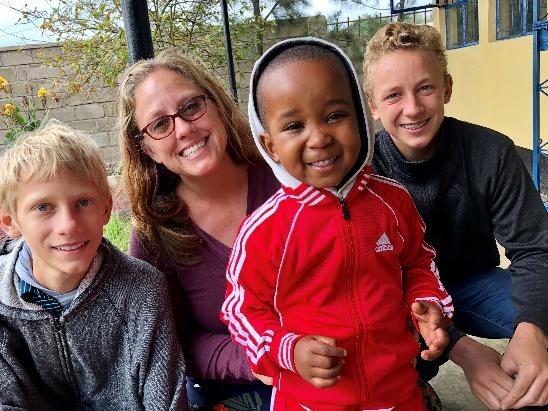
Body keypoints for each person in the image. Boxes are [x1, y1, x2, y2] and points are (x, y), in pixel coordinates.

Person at [221, 37, 455, 410]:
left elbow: (418, 262)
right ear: (269, 145)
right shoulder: (264, 229)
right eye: (295, 125)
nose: (319, 138)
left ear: (361, 118)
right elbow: (240, 310)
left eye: (334, 116)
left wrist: (427, 302)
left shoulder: (393, 202)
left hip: (397, 392)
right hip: (308, 401)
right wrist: (288, 349)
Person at [365, 22, 548, 410]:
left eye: (425, 88)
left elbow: (534, 248)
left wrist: (533, 329)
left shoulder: (490, 151)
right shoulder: (363, 174)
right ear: (373, 106)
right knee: (371, 333)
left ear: (447, 87)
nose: (413, 108)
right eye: (394, 95)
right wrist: (464, 350)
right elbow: (367, 284)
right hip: (400, 299)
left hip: (472, 283)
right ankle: (413, 384)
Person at [117, 50, 280, 409]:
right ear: (147, 149)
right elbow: (170, 342)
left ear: (217, 105)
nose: (185, 128)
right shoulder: (155, 234)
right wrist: (254, 358)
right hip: (238, 387)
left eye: (192, 106)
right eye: (160, 124)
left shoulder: (285, 176)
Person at [0, 120, 187, 410]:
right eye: (43, 207)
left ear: (107, 209)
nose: (68, 225)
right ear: (11, 222)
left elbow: (166, 402)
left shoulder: (143, 291)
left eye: (83, 202)